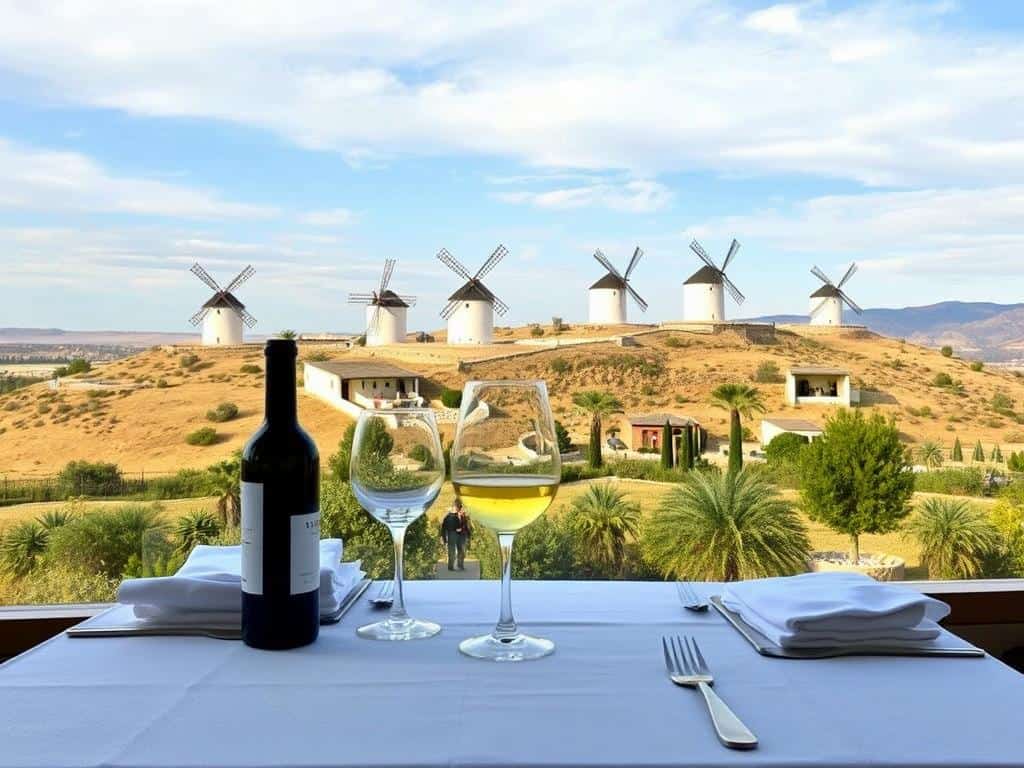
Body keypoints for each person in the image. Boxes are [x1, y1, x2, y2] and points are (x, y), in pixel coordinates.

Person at [440, 498, 471, 571]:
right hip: (452, 534)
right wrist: (444, 538)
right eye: (457, 506)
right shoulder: (448, 517)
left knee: (462, 551)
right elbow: (444, 528)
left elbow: (466, 525)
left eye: (459, 506)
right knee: (452, 551)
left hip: (462, 534)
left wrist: (468, 534)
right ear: (453, 506)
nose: (459, 508)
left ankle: (460, 565)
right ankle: (451, 567)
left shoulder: (463, 515)